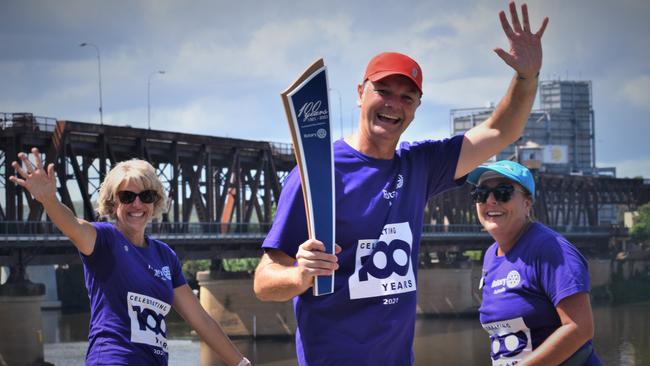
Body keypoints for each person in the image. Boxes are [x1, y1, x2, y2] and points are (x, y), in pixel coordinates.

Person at [253, 2, 548, 365]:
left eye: (406, 97)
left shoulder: (420, 164)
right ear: (361, 92)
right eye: (384, 91)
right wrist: (300, 275)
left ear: (417, 107)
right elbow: (263, 282)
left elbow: (501, 130)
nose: (394, 104)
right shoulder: (316, 174)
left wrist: (526, 77)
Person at [10, 148, 251, 366]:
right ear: (113, 202)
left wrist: (241, 363)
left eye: (146, 196)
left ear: (155, 202)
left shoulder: (165, 256)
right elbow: (73, 226)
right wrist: (49, 200)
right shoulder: (104, 240)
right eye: (127, 196)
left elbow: (201, 320)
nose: (137, 204)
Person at [468, 160, 602, 365]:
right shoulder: (491, 255)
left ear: (527, 203)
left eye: (503, 192)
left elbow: (579, 328)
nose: (491, 200)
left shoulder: (550, 248)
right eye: (481, 193)